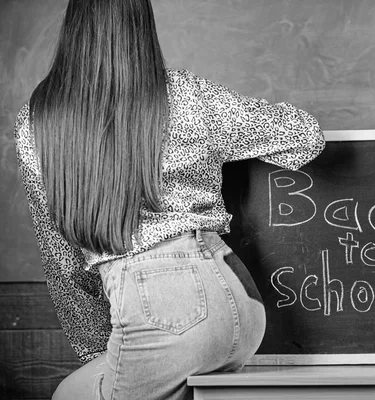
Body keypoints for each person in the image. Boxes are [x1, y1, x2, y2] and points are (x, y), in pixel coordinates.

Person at [13, 0, 325, 399]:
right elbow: (305, 137)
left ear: (72, 27)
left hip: (160, 312)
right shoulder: (188, 96)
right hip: (241, 306)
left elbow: (61, 257)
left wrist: (94, 346)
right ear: (142, 27)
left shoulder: (37, 122)